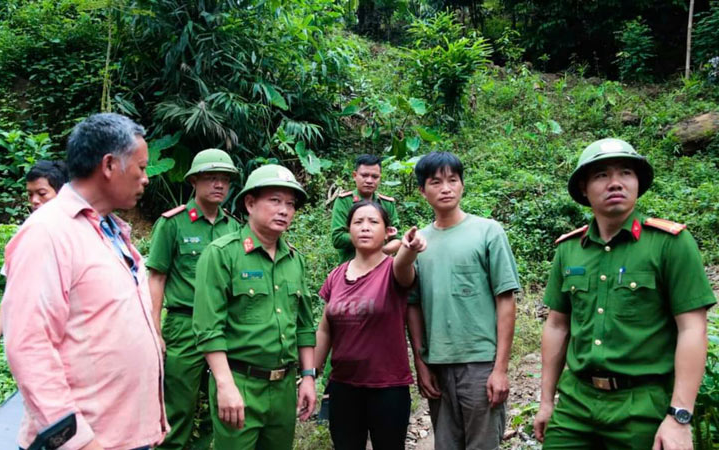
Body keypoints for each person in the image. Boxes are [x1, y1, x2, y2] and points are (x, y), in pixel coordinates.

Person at [532, 138, 716, 449]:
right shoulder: (569, 250)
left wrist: (679, 416)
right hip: (575, 402)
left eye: (626, 173)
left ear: (638, 183)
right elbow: (557, 325)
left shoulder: (671, 244)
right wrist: (546, 401)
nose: (615, 183)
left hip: (642, 404)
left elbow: (692, 328)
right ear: (583, 188)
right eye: (601, 175)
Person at [1, 113, 168, 450]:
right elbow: (28, 346)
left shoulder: (110, 230)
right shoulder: (48, 233)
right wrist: (75, 440)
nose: (146, 178)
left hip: (123, 435)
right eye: (140, 167)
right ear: (109, 165)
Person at [193, 164, 317, 450]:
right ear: (250, 203)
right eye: (275, 200)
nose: (284, 210)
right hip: (239, 382)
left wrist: (308, 377)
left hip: (284, 386)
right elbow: (209, 328)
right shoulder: (222, 254)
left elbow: (304, 326)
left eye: (290, 203)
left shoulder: (294, 260)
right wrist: (225, 385)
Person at [406, 151, 521, 450]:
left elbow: (506, 300)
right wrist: (421, 363)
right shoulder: (419, 244)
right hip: (438, 365)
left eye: (453, 180)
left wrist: (500, 369)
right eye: (436, 182)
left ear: (462, 185)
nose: (446, 188)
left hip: (480, 364)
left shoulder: (488, 232)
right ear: (422, 190)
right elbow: (413, 305)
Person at [146, 148, 241, 449]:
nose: (219, 185)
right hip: (184, 326)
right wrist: (154, 331)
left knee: (221, 404)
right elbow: (156, 277)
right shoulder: (173, 224)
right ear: (194, 182)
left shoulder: (235, 228)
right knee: (178, 407)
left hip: (224, 328)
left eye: (224, 180)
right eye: (211, 178)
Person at [314, 200, 426, 450]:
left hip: (387, 388)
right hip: (343, 387)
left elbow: (405, 263)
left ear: (388, 232)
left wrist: (410, 248)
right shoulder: (335, 276)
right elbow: (324, 329)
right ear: (349, 230)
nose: (365, 227)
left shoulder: (392, 270)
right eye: (358, 222)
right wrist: (312, 374)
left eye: (373, 222)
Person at [0, 160, 69, 366]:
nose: (34, 200)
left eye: (42, 193)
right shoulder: (28, 234)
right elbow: (13, 290)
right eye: (30, 194)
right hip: (38, 342)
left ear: (62, 193)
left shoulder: (78, 231)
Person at [330, 154, 401, 262]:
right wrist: (375, 238)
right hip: (351, 268)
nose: (369, 180)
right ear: (355, 175)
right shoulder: (344, 201)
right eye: (364, 175)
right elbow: (337, 238)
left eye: (374, 177)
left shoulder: (387, 204)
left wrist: (380, 251)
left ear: (380, 178)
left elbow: (397, 238)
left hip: (382, 268)